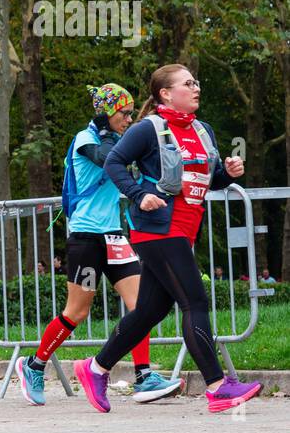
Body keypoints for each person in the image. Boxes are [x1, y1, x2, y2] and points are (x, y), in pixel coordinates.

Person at [74, 64, 261, 414]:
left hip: (183, 231)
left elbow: (208, 181)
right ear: (165, 93)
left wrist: (226, 174)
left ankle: (95, 368)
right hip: (157, 229)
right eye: (187, 83)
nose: (196, 88)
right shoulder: (148, 129)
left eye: (196, 81)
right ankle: (218, 387)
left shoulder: (203, 131)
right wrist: (137, 194)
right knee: (195, 302)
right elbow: (114, 162)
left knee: (149, 310)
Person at [14, 84, 178, 406]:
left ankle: (143, 376)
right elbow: (107, 161)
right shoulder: (85, 139)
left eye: (132, 113)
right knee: (77, 311)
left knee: (140, 306)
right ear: (105, 113)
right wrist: (114, 136)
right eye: (123, 113)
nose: (129, 119)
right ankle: (34, 365)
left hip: (115, 235)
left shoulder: (119, 139)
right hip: (87, 237)